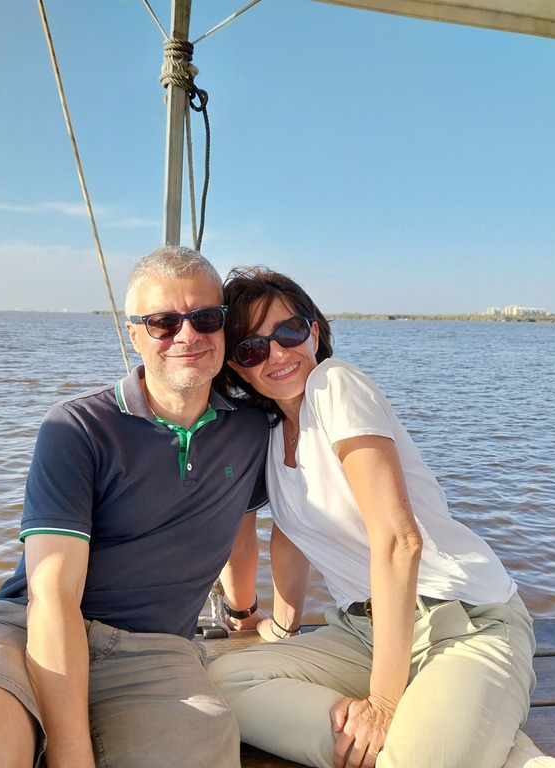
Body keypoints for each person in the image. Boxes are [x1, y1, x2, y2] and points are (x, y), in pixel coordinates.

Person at [0, 246, 269, 768]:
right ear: (133, 333)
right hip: (28, 630)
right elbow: (52, 593)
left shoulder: (252, 430)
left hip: (155, 652)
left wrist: (244, 613)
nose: (187, 335)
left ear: (224, 326)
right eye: (163, 323)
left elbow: (240, 530)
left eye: (205, 318)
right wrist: (71, 754)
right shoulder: (78, 428)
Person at [207, 267, 537, 768]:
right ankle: (433, 738)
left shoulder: (336, 385)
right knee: (221, 684)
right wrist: (285, 626)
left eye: (289, 332)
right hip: (364, 632)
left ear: (314, 330)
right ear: (237, 367)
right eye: (251, 349)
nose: (276, 354)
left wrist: (382, 705)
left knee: (410, 761)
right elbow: (292, 536)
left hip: (464, 622)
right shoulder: (274, 434)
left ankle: (425, 739)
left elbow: (398, 540)